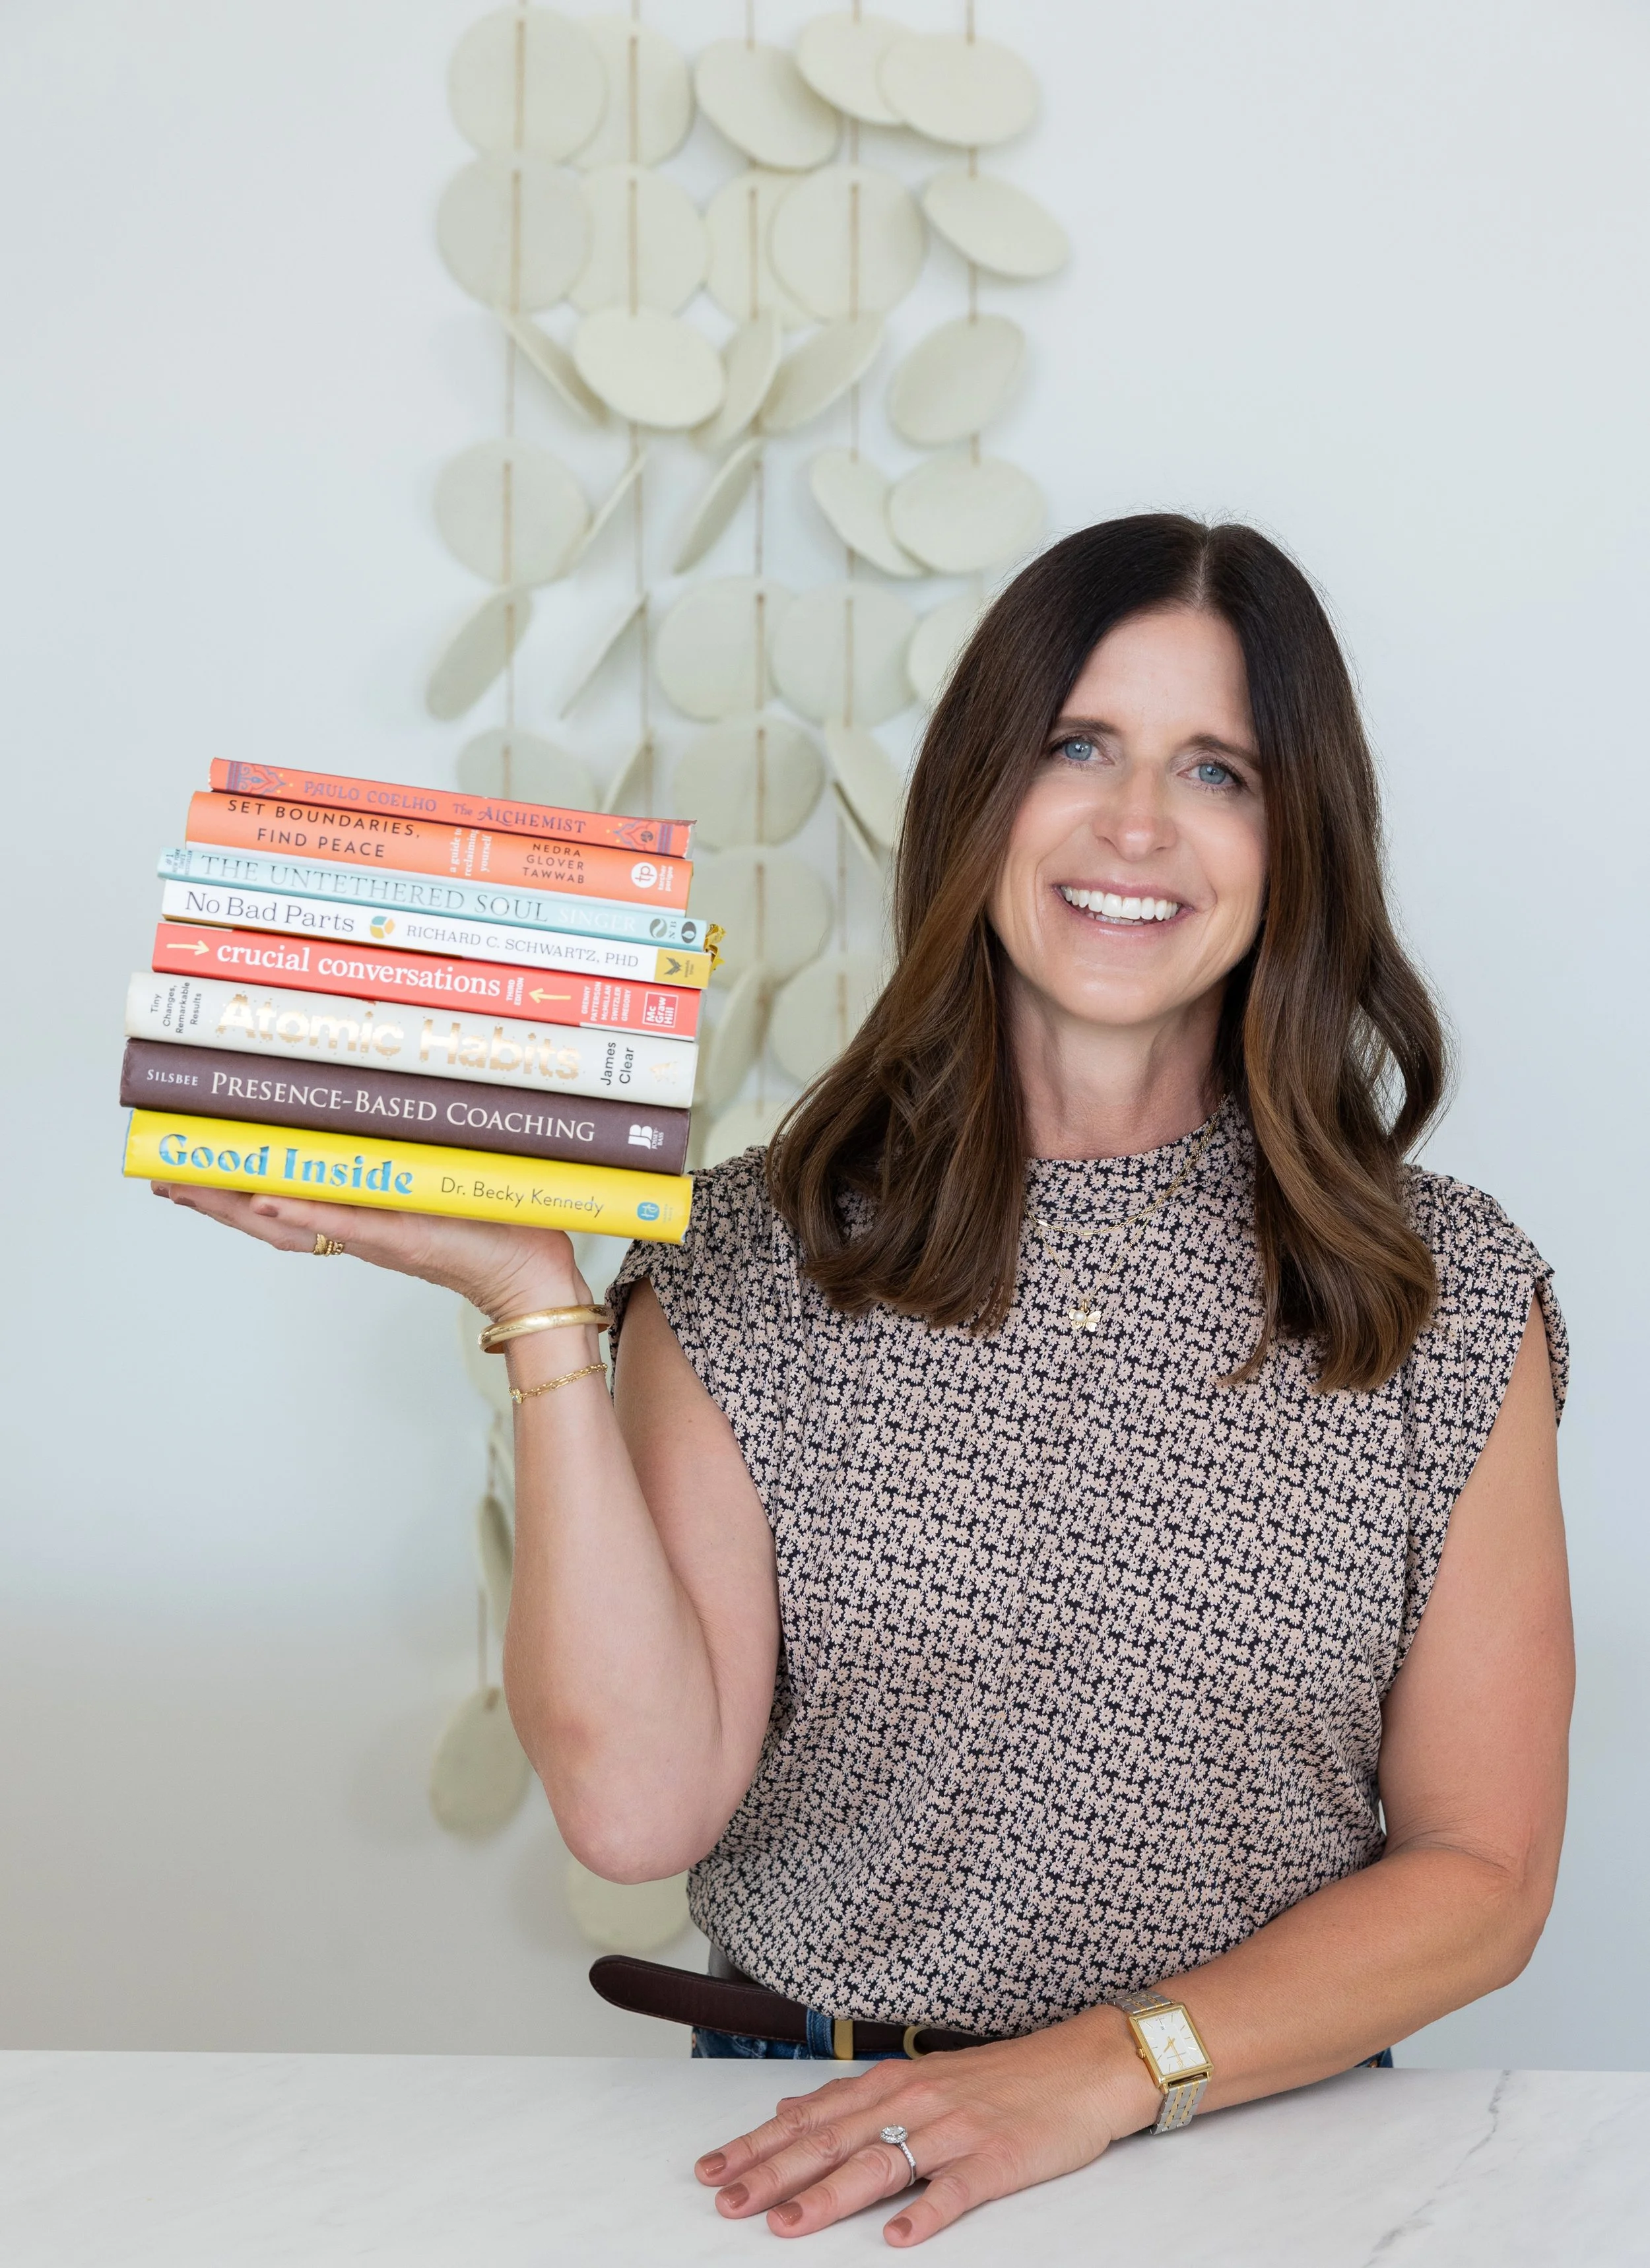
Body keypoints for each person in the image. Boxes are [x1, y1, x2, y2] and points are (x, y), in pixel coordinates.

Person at [154, 516, 1571, 2250]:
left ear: (1297, 843)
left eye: (1217, 770)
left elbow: (1479, 1876)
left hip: (1274, 2161)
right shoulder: (754, 1258)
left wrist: (1091, 2071)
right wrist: (538, 1303)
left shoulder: (1441, 1296)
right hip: (817, 2167)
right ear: (981, 794)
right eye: (1078, 747)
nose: (1135, 822)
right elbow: (636, 1803)